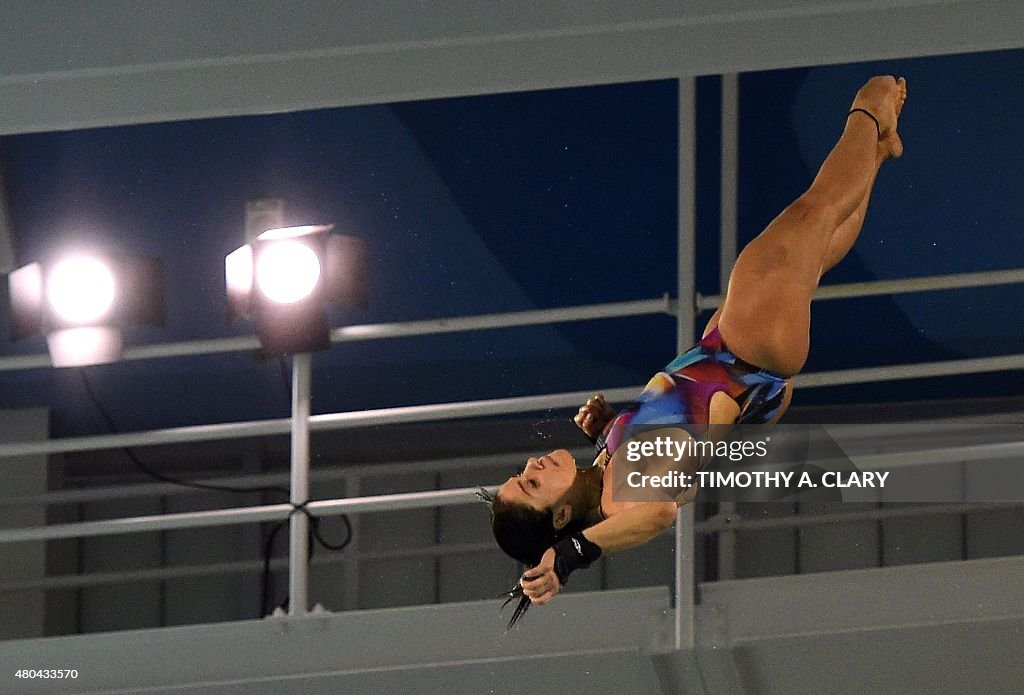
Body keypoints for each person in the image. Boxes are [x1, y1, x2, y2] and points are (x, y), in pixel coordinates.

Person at [481, 76, 908, 627]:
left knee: (815, 245)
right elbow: (658, 513)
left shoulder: (609, 469)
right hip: (746, 351)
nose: (533, 465)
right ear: (562, 515)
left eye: (522, 471)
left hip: (747, 372)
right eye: (533, 484)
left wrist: (612, 423)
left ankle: (876, 151)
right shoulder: (619, 498)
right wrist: (571, 555)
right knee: (814, 212)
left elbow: (668, 455)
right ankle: (870, 110)